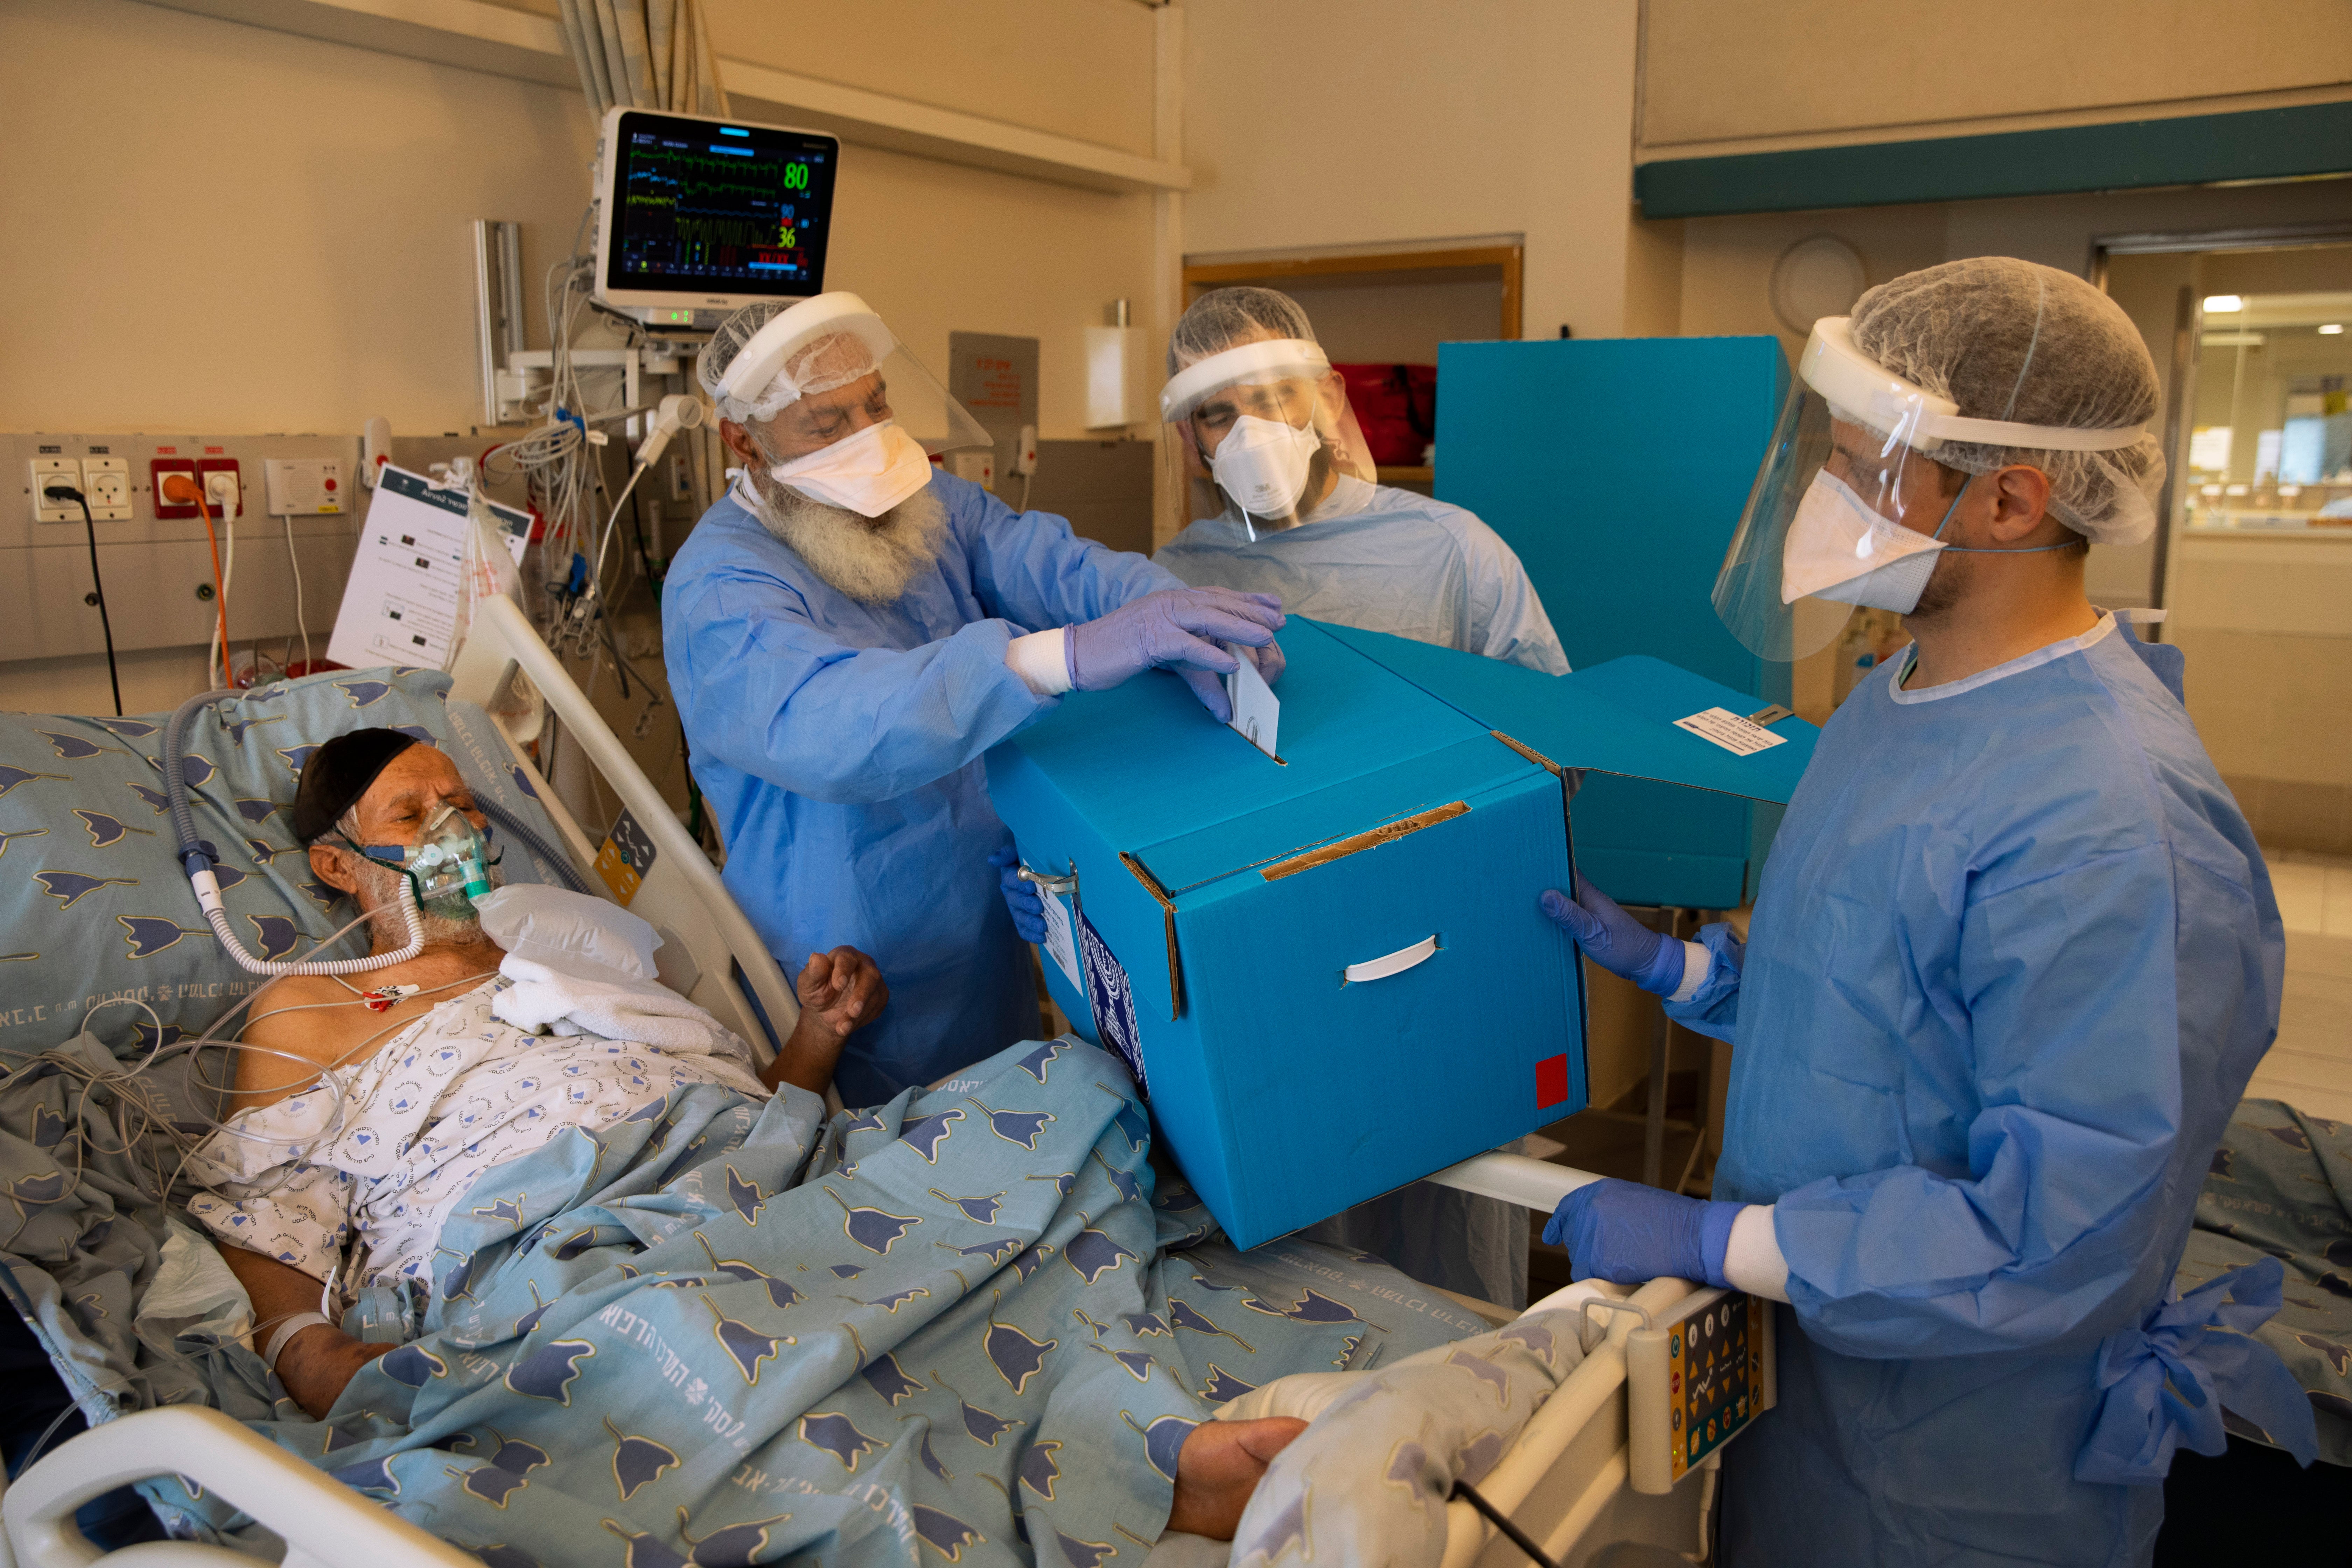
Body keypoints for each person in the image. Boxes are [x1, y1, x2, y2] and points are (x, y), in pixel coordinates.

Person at [1536, 258, 2316, 1563]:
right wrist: (1684, 975)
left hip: (1959, 1468)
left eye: (1859, 465)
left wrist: (1717, 1235)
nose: (1821, 498)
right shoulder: (1896, 699)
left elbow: (2051, 1229)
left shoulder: (2109, 822)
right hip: (1818, 1396)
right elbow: (1877, 1003)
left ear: (2008, 499)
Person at [663, 293, 1286, 1102]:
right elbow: (832, 725)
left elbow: (1058, 567)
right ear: (741, 441)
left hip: (980, 913)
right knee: (882, 1192)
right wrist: (1058, 655)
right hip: (845, 950)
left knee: (1014, 1138)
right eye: (826, 423)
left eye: (876, 404)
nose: (865, 437)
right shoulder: (718, 586)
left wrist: (1170, 615)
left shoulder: (927, 501)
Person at [1152, 286, 1567, 676]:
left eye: (1273, 400)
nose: (1252, 436)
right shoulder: (1174, 574)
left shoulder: (1455, 549)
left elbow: (1545, 718)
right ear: (1191, 439)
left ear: (1328, 399)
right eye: (1221, 417)